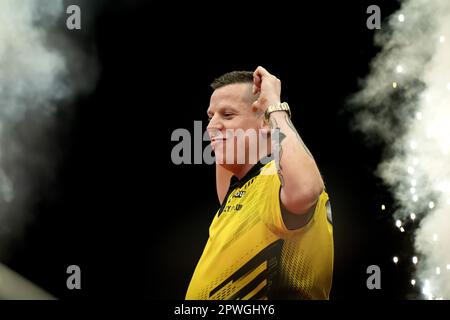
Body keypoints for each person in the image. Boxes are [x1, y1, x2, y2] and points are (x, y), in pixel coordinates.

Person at [186, 66, 333, 300]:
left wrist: (273, 104)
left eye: (228, 114)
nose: (211, 125)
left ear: (266, 121)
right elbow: (226, 158)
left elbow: (306, 190)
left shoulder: (277, 180)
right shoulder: (238, 190)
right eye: (210, 116)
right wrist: (224, 128)